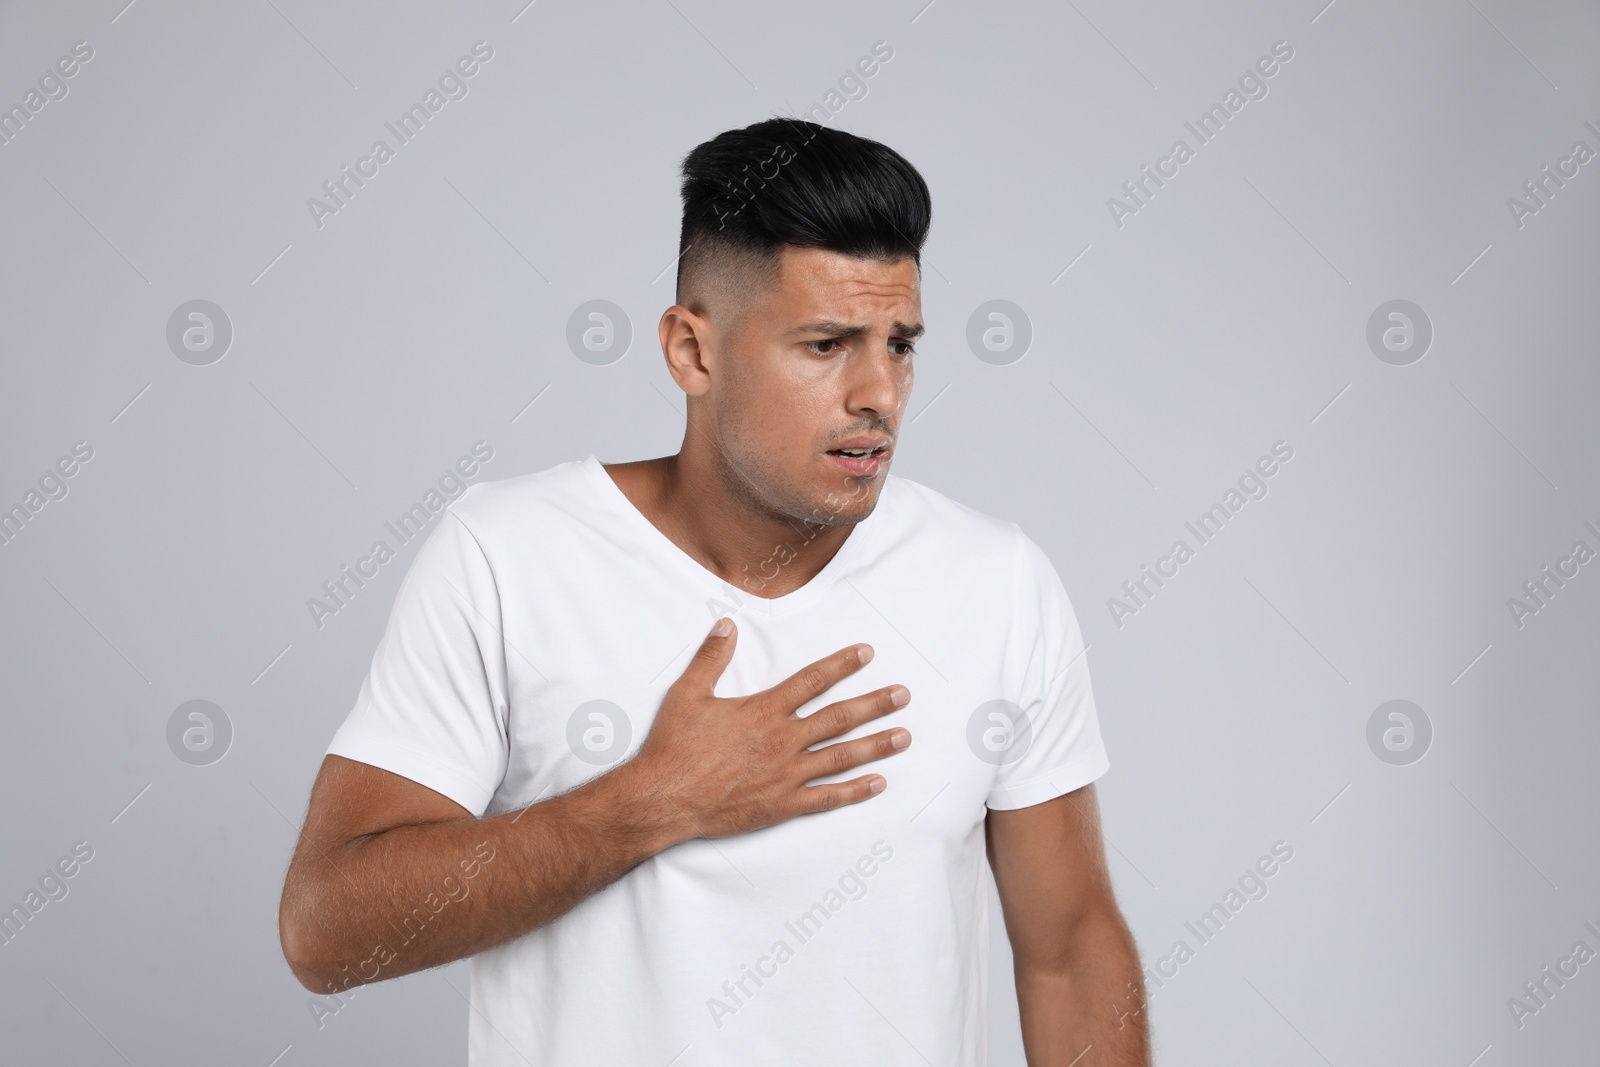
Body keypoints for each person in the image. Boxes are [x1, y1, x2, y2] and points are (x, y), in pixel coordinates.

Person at [277, 117, 1150, 1066]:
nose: (882, 394)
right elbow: (327, 932)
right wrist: (649, 801)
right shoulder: (508, 557)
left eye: (901, 344)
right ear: (692, 352)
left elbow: (1069, 953)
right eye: (826, 344)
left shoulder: (996, 581)